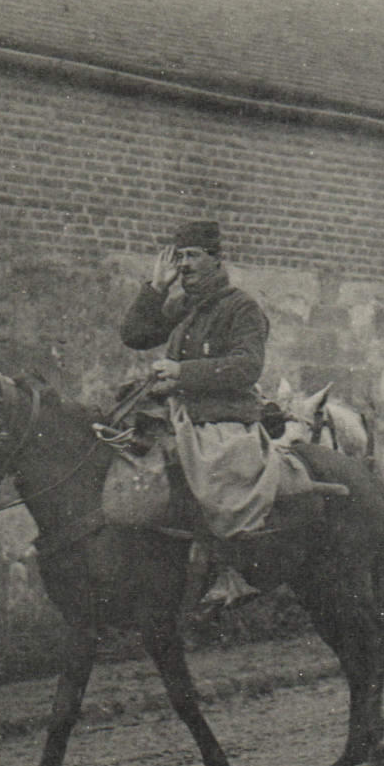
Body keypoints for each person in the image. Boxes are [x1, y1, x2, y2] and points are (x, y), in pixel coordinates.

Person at [119, 219, 348, 605]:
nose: (184, 265)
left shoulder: (241, 307)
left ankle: (229, 569)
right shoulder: (184, 306)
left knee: (213, 477)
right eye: (180, 257)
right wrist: (156, 288)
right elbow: (134, 335)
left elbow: (247, 366)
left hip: (221, 416)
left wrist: (182, 372)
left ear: (215, 259)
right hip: (178, 412)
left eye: (193, 256)